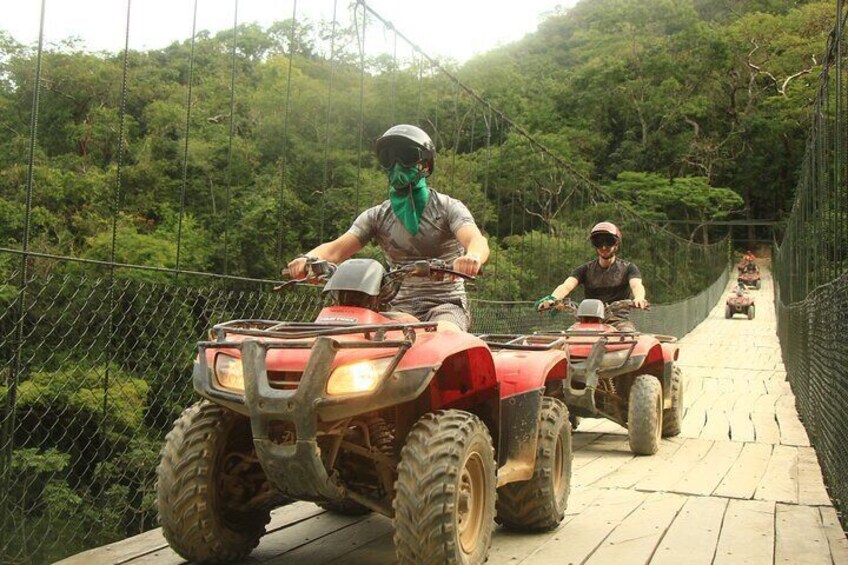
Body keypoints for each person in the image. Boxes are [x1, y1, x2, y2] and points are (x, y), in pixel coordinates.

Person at [287, 124, 489, 332]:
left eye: (406, 156)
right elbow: (336, 249)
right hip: (401, 306)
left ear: (426, 166)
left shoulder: (448, 207)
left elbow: (476, 239)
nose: (397, 165)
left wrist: (472, 257)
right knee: (374, 337)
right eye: (388, 158)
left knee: (445, 335)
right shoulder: (377, 216)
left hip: (446, 303)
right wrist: (307, 260)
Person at [535, 222, 648, 332]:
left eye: (609, 242)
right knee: (567, 339)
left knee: (628, 337)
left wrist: (639, 298)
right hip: (587, 320)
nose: (604, 247)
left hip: (618, 319)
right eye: (598, 242)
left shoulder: (629, 268)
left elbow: (636, 285)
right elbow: (566, 286)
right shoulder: (584, 269)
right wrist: (552, 298)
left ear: (616, 244)